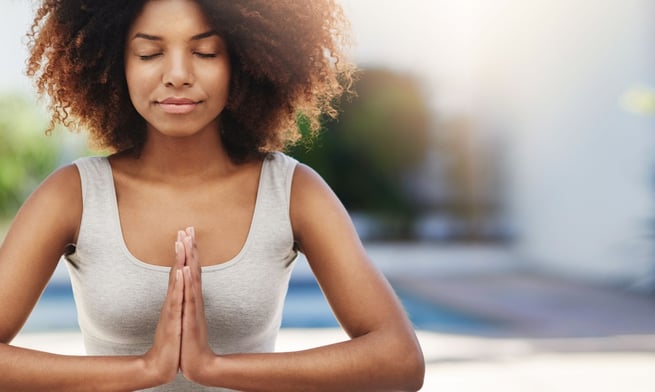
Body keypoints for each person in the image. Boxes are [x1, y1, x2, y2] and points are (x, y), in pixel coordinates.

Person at [0, 0, 425, 390]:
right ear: (115, 63)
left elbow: (400, 361)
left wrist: (215, 366)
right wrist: (145, 368)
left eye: (205, 52)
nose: (178, 74)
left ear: (244, 62)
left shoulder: (292, 191)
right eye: (150, 53)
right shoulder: (72, 195)